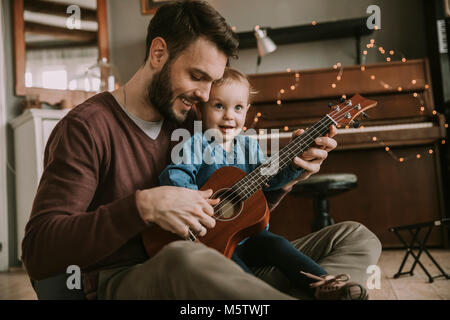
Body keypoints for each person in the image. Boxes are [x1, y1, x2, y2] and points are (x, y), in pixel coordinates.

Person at [22, 0, 381, 300]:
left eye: (213, 82)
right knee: (185, 259)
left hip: (215, 266)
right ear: (159, 53)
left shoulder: (192, 119)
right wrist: (143, 206)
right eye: (197, 77)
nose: (208, 97)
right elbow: (39, 252)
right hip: (132, 278)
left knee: (354, 236)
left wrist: (288, 179)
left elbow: (230, 216)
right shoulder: (87, 127)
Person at [158, 67, 369, 300]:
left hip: (251, 237)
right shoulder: (194, 144)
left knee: (279, 246)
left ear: (247, 110)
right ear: (200, 109)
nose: (230, 115)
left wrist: (295, 164)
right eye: (219, 106)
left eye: (238, 107)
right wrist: (197, 207)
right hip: (208, 242)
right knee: (234, 274)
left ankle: (326, 285)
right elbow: (175, 175)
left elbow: (270, 179)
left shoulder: (249, 146)